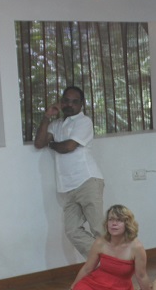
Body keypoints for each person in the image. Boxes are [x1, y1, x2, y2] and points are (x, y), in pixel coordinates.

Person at [34, 86, 104, 258]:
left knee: (98, 229)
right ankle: (103, 260)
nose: (69, 105)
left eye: (74, 102)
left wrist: (52, 144)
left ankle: (116, 268)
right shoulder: (56, 124)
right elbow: (39, 143)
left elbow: (68, 146)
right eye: (66, 101)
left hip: (87, 180)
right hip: (68, 187)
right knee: (72, 231)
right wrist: (47, 117)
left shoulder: (84, 122)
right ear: (61, 102)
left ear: (81, 104)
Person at [54, 204, 156, 290]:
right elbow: (87, 268)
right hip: (93, 282)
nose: (114, 223)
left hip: (119, 289)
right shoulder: (100, 242)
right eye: (111, 219)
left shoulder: (136, 247)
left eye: (119, 220)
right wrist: (71, 289)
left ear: (127, 224)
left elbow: (141, 276)